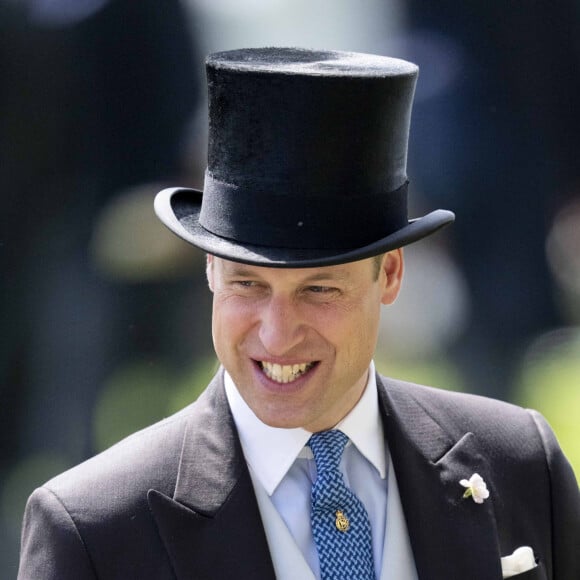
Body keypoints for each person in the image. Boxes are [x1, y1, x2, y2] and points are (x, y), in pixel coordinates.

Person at [18, 48, 579, 580]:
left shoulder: (522, 465)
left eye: (319, 290)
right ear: (210, 270)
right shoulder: (92, 530)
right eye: (248, 284)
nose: (277, 332)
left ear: (389, 274)